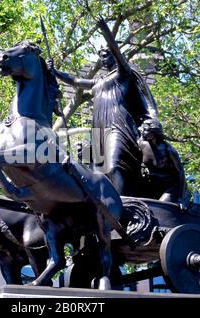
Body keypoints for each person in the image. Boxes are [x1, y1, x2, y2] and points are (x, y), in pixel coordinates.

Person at [48, 16, 158, 196]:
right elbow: (75, 80)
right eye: (100, 57)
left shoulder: (124, 73)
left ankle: (123, 209)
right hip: (99, 130)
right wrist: (55, 72)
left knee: (114, 166)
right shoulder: (98, 82)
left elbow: (116, 51)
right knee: (99, 172)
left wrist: (105, 32)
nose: (103, 59)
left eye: (105, 55)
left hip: (118, 127)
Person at [138, 119, 188, 204]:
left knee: (161, 206)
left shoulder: (169, 150)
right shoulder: (143, 145)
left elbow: (180, 172)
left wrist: (181, 199)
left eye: (145, 130)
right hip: (154, 186)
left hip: (171, 187)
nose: (143, 132)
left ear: (154, 132)